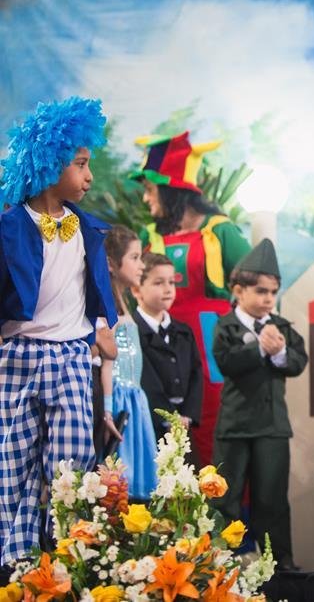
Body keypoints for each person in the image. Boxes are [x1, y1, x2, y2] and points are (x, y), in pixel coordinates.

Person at [0, 97, 117, 564]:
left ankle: (74, 554)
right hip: (19, 354)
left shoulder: (86, 229)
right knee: (14, 463)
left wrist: (101, 329)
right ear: (49, 163)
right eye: (80, 164)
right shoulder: (9, 227)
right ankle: (17, 563)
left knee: (72, 461)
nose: (89, 176)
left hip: (70, 355)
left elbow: (94, 290)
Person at [132, 132, 251, 464]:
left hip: (212, 345)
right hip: (160, 345)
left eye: (150, 189)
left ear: (170, 189)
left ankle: (221, 497)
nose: (145, 198)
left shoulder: (220, 230)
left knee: (215, 423)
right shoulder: (148, 236)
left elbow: (256, 283)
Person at [211, 239, 308, 572]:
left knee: (272, 498)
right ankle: (221, 563)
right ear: (239, 291)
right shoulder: (226, 325)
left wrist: (280, 352)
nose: (268, 298)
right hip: (235, 426)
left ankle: (279, 564)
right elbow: (226, 362)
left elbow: (298, 361)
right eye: (261, 291)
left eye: (273, 292)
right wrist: (260, 349)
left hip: (272, 426)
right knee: (227, 497)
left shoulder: (281, 327)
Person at [97, 226, 159, 498]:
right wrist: (108, 409)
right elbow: (107, 361)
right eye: (134, 257)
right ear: (111, 264)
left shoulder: (123, 301)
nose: (141, 265)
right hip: (118, 398)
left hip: (134, 397)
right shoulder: (106, 304)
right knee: (120, 481)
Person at [132, 252, 204, 468]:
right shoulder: (132, 331)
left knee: (187, 480)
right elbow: (146, 380)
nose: (168, 289)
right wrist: (169, 417)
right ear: (136, 290)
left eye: (171, 282)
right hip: (149, 424)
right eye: (158, 282)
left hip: (182, 425)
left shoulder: (183, 331)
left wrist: (187, 416)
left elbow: (196, 374)